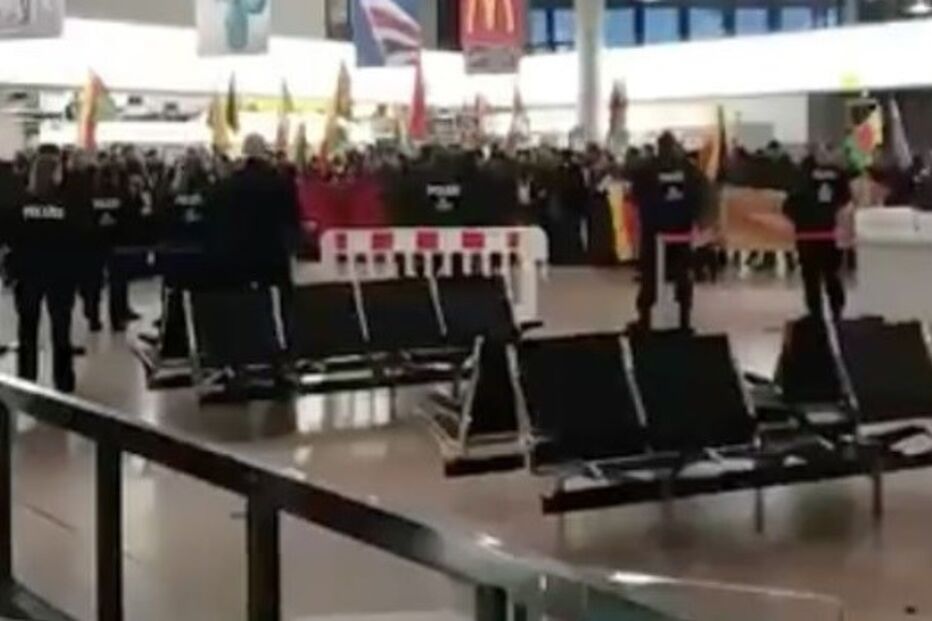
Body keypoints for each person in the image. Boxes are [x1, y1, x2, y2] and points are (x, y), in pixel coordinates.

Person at [3, 150, 85, 393]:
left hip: (27, 274)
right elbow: (80, 238)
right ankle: (64, 382)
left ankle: (26, 382)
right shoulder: (67, 207)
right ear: (55, 175)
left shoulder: (19, 206)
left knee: (27, 330)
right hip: (61, 275)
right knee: (61, 329)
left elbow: (7, 237)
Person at [631, 132, 704, 331]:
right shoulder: (689, 169)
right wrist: (695, 219)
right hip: (681, 232)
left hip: (654, 232)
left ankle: (645, 319)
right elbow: (700, 195)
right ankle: (684, 319)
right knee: (683, 276)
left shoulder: (647, 169)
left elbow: (636, 196)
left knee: (650, 277)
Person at [205, 134, 299, 288]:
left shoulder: (226, 186)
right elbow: (291, 219)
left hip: (235, 257)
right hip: (272, 257)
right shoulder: (280, 184)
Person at [784, 145, 851, 320]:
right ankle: (836, 311)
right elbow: (845, 200)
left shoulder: (800, 175)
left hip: (808, 235)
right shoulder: (839, 174)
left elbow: (789, 205)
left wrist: (800, 220)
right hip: (829, 233)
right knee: (831, 274)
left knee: (811, 276)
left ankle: (816, 314)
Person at [81, 156, 132, 331]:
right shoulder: (122, 194)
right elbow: (129, 220)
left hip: (93, 243)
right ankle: (117, 319)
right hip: (117, 244)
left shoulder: (89, 194)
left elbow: (84, 220)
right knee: (117, 282)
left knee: (93, 282)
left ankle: (93, 318)